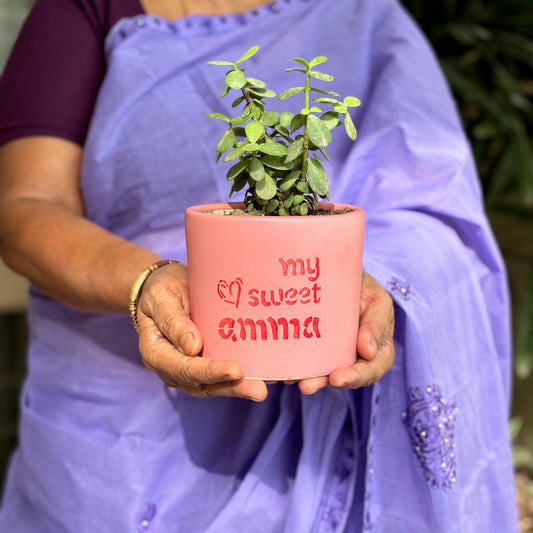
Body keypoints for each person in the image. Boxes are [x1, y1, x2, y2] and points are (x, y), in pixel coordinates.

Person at [0, 0, 518, 531]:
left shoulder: (364, 14)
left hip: (340, 418)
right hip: (125, 426)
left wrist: (369, 286)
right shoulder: (85, 9)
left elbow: (431, 199)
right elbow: (26, 206)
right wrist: (146, 282)